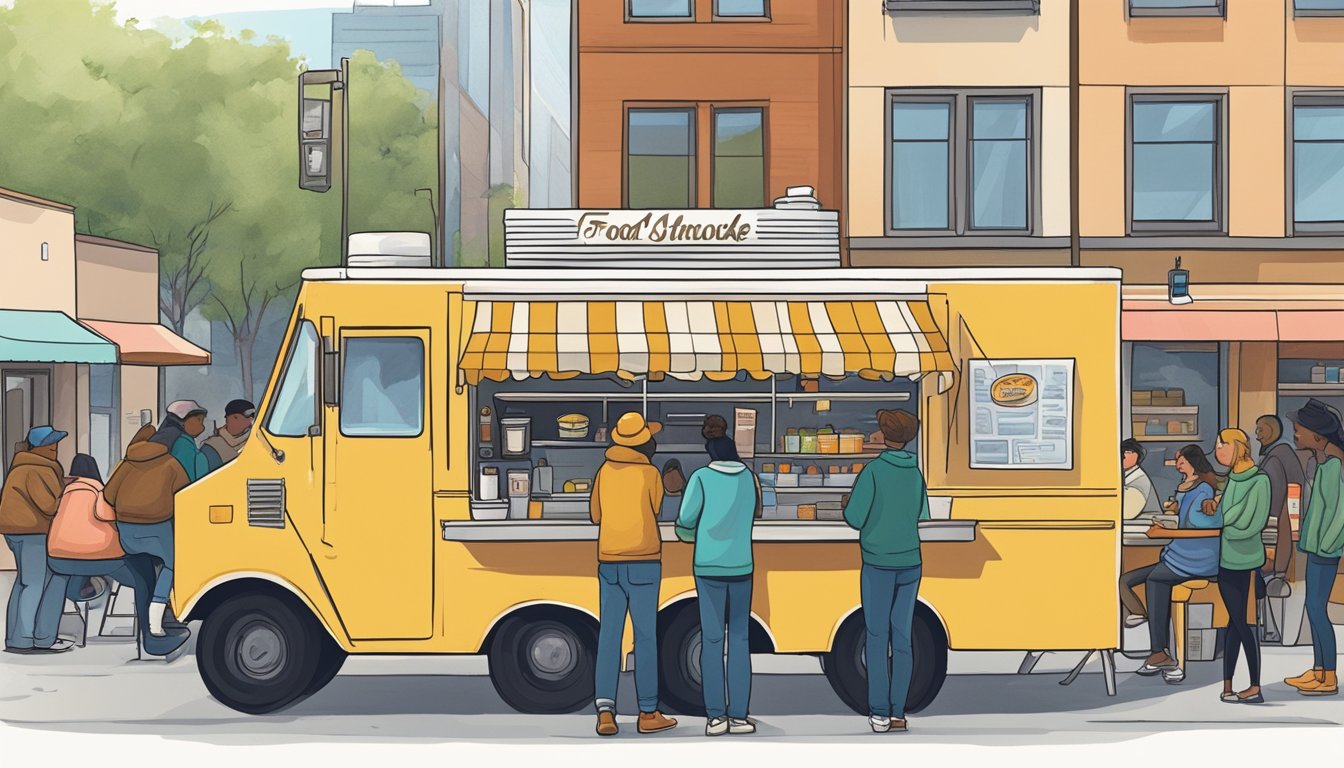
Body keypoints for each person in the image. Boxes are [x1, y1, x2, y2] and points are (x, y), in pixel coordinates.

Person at [45, 452, 189, 656]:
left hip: (58, 558)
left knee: (75, 571)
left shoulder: (64, 494)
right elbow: (108, 514)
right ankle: (152, 638)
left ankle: (87, 591)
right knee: (144, 579)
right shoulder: (98, 490)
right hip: (100, 557)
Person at [589, 412, 677, 737]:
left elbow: (595, 514)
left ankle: (605, 713)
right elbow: (656, 508)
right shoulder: (650, 473)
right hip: (644, 560)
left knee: (609, 636)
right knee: (645, 637)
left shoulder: (603, 472)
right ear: (644, 442)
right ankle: (648, 713)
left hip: (609, 560)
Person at [842, 408, 929, 734]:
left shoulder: (873, 471)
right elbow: (921, 512)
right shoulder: (915, 473)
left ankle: (879, 711)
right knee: (902, 637)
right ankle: (898, 713)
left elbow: (854, 517)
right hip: (911, 562)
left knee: (877, 637)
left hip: (878, 562)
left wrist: (846, 503)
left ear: (884, 434)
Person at [675, 423, 761, 736]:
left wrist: (688, 534)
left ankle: (715, 717)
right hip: (741, 565)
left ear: (710, 453)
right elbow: (753, 514)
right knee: (739, 639)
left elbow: (686, 519)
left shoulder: (701, 477)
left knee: (712, 641)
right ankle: (739, 716)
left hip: (708, 566)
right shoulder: (749, 479)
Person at [1130, 445, 1223, 675]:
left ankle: (1159, 652)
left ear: (1192, 462)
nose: (1177, 463)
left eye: (1180, 460)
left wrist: (1165, 533)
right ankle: (1148, 620)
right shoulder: (1187, 488)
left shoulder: (1203, 491)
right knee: (1126, 580)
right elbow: (1188, 519)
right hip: (1180, 555)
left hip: (1196, 559)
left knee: (1155, 580)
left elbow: (1210, 531)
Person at [105, 423, 190, 637]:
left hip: (126, 531)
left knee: (142, 571)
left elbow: (108, 495)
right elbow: (185, 495)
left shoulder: (128, 463)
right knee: (171, 566)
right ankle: (156, 618)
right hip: (156, 528)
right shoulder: (171, 463)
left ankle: (144, 618)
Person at [1285, 399, 1344, 696]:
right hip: (1318, 548)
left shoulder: (1335, 467)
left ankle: (1328, 675)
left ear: (1318, 437)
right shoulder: (1324, 464)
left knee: (1317, 609)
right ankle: (1319, 670)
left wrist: (1326, 545)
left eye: (1299, 430)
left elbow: (1338, 514)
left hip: (1325, 550)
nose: (1295, 435)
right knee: (1313, 607)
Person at [0, 426, 73, 654]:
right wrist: (67, 489)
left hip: (17, 531)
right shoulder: (39, 469)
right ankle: (28, 639)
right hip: (34, 532)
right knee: (35, 583)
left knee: (27, 582)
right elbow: (50, 506)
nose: (55, 447)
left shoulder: (22, 466)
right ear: (40, 447)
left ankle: (27, 637)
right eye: (51, 443)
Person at [1213, 428, 1271, 704]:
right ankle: (1228, 685)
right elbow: (1226, 515)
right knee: (1233, 623)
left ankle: (1255, 686)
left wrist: (1224, 524)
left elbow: (1252, 523)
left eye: (1221, 445)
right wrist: (1225, 520)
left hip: (1247, 562)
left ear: (1236, 447)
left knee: (1242, 623)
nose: (1217, 451)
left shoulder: (1260, 480)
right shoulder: (1232, 479)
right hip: (1226, 559)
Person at [1256, 415, 1307, 580]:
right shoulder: (1272, 454)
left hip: (1276, 521)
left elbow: (1293, 486)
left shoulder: (1278, 455)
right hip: (1272, 519)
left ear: (1272, 431)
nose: (1257, 435)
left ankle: (1275, 577)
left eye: (1261, 430)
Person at [153, 399, 208, 482]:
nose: (203, 427)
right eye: (199, 419)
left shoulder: (162, 437)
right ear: (183, 420)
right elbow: (190, 480)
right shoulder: (182, 443)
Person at [201, 398, 255, 473]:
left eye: (251, 417)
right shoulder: (212, 445)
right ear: (228, 419)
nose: (249, 420)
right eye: (236, 417)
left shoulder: (256, 443)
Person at [1122, 439, 1161, 519]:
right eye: (1122, 452)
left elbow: (1127, 513)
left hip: (1148, 523)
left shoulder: (1140, 480)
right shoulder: (1126, 474)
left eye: (1128, 452)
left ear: (1137, 456)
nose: (1123, 456)